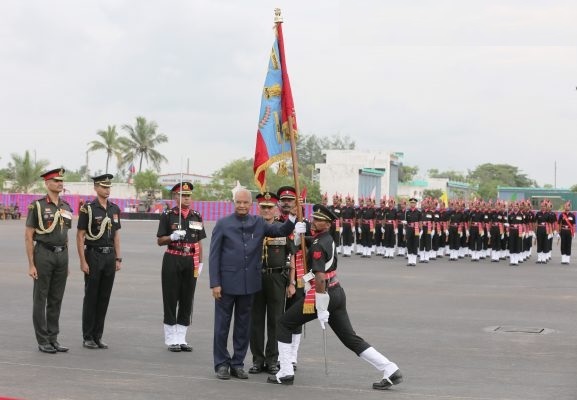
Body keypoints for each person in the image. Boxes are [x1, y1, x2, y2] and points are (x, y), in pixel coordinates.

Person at [268, 204, 403, 390]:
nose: (314, 222)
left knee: (284, 323)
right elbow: (302, 243)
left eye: (318, 220)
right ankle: (390, 369)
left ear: (328, 224)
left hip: (323, 294)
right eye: (314, 218)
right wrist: (298, 235)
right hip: (336, 292)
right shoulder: (326, 239)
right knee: (350, 338)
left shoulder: (318, 245)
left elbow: (320, 276)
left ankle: (285, 372)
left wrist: (322, 307)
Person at [209, 188, 303, 380]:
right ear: (233, 203)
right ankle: (221, 364)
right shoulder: (223, 224)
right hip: (226, 285)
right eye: (238, 202)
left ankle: (237, 363)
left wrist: (293, 217)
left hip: (249, 285)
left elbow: (280, 230)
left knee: (244, 326)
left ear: (251, 205)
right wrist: (215, 283)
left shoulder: (258, 223)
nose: (242, 206)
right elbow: (214, 256)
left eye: (245, 203)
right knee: (222, 326)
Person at [25, 167, 73, 354]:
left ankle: (53, 338)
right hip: (44, 254)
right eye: (56, 181)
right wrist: (31, 264)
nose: (60, 184)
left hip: (61, 255)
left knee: (56, 299)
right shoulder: (37, 206)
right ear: (47, 183)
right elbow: (29, 236)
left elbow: (66, 235)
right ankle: (42, 340)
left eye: (61, 181)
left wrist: (67, 261)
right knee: (41, 298)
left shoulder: (66, 206)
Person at [156, 182, 206, 352]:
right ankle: (171, 338)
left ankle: (181, 337)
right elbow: (160, 240)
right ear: (175, 197)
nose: (187, 198)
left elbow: (199, 240)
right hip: (173, 258)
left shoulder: (196, 216)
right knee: (171, 298)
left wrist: (200, 262)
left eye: (188, 195)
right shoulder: (168, 215)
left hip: (190, 260)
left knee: (187, 299)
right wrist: (172, 236)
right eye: (183, 195)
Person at [76, 174, 122, 350]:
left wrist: (118, 257)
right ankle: (87, 336)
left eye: (109, 187)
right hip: (93, 255)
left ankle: (98, 335)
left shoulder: (114, 209)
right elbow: (80, 235)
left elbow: (116, 235)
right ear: (96, 188)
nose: (107, 190)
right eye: (103, 187)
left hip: (109, 256)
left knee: (104, 297)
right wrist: (82, 260)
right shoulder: (88, 209)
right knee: (91, 297)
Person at [249, 192, 291, 375]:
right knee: (255, 321)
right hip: (255, 277)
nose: (266, 210)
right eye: (263, 207)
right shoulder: (251, 228)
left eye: (270, 207)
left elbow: (294, 255)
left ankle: (272, 360)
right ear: (258, 208)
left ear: (276, 209)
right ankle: (258, 360)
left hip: (277, 278)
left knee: (276, 320)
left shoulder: (283, 228)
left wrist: (291, 283)